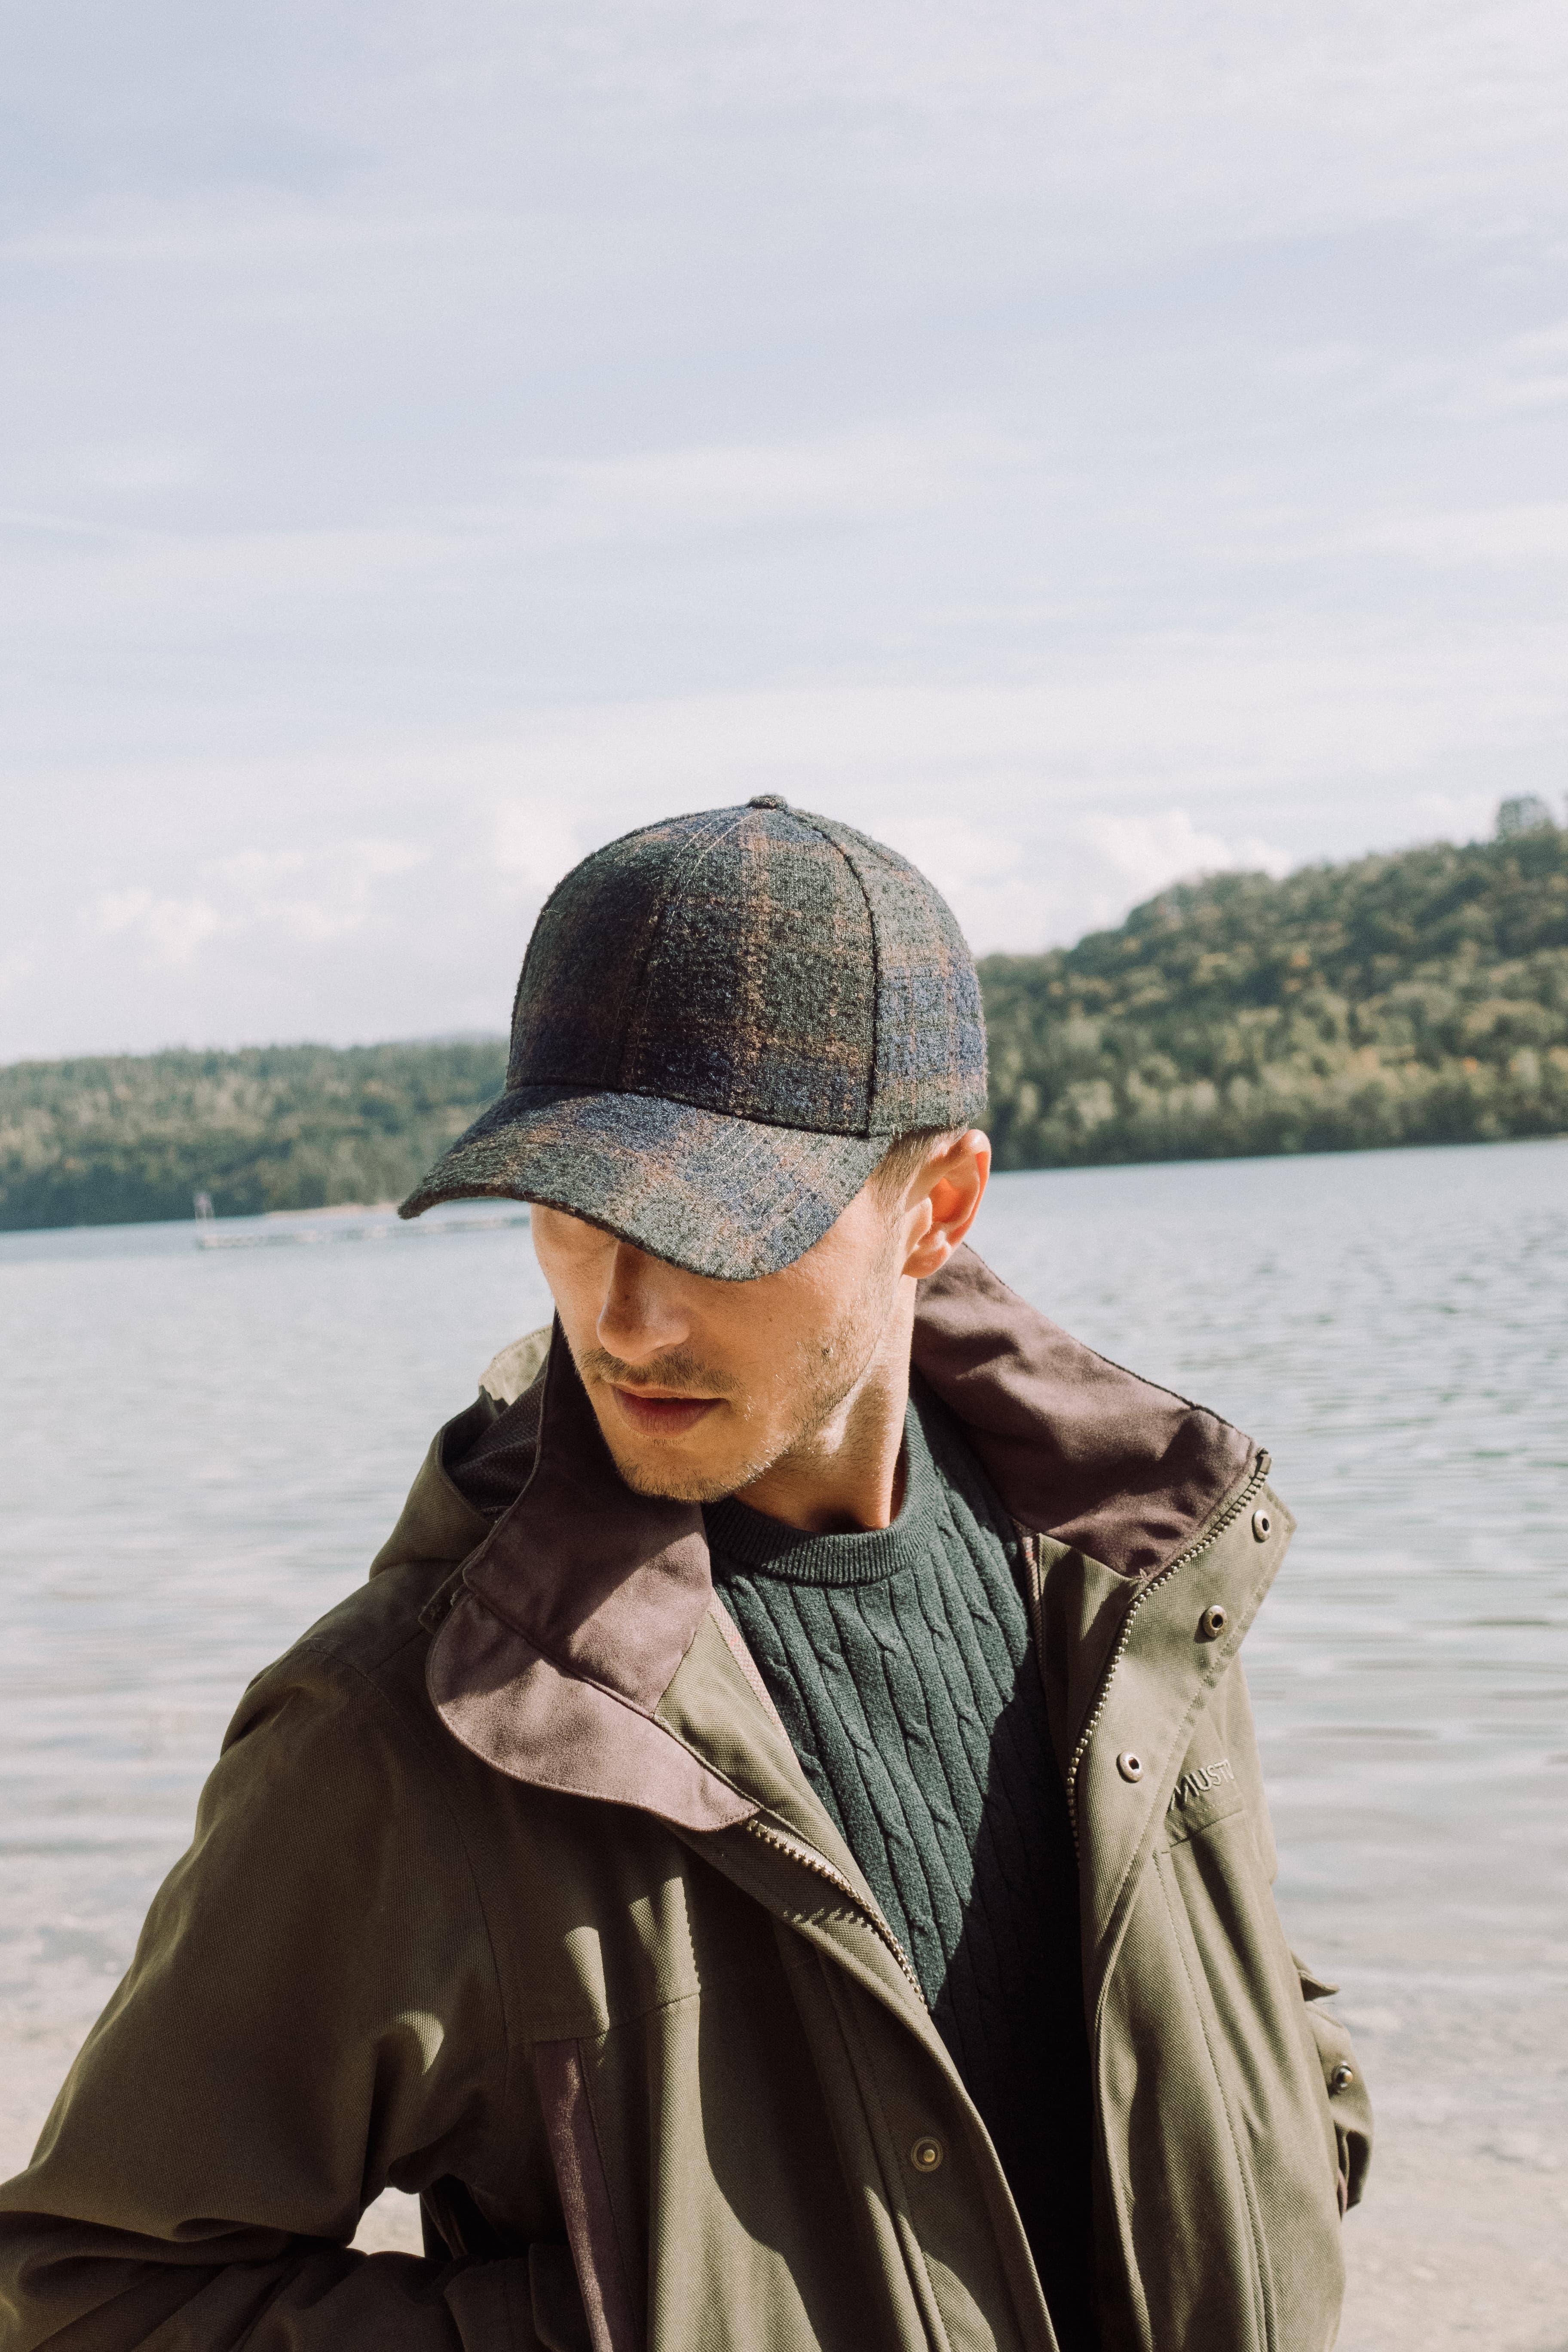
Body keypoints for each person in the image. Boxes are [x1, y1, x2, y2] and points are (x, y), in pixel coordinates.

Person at [0, 799, 1370, 2352]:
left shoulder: (1133, 1571)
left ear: (939, 1206)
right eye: (574, 1217)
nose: (628, 1317)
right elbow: (93, 2302)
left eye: (717, 1226)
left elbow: (1247, 1990)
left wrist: (1291, 2143)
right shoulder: (410, 1728)